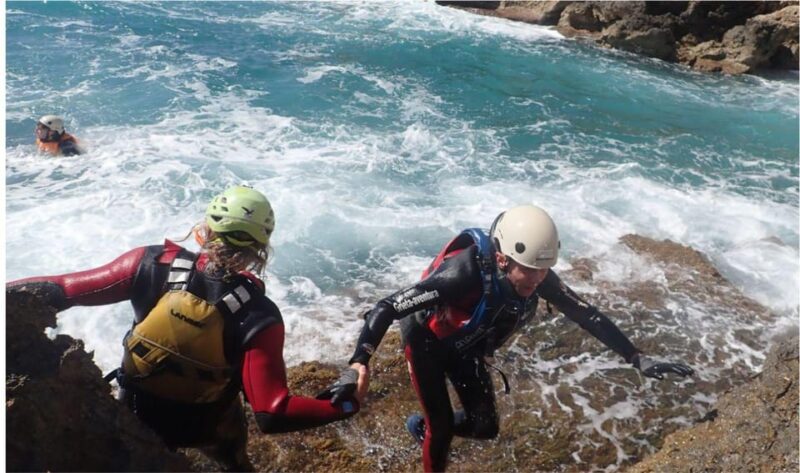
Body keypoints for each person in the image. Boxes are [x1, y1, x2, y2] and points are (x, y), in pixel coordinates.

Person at [7, 185, 369, 471]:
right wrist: (347, 404)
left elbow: (62, 290)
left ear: (204, 230)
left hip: (135, 411)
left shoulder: (146, 265)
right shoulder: (261, 317)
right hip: (206, 426)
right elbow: (272, 413)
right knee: (235, 462)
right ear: (261, 248)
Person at [326, 204, 694, 472]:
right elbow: (386, 308)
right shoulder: (463, 275)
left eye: (543, 270)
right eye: (530, 271)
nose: (537, 280)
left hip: (466, 344)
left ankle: (420, 428)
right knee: (441, 432)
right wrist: (360, 361)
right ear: (502, 260)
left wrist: (636, 357)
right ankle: (432, 433)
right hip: (427, 343)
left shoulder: (537, 275)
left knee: (485, 427)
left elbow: (586, 314)